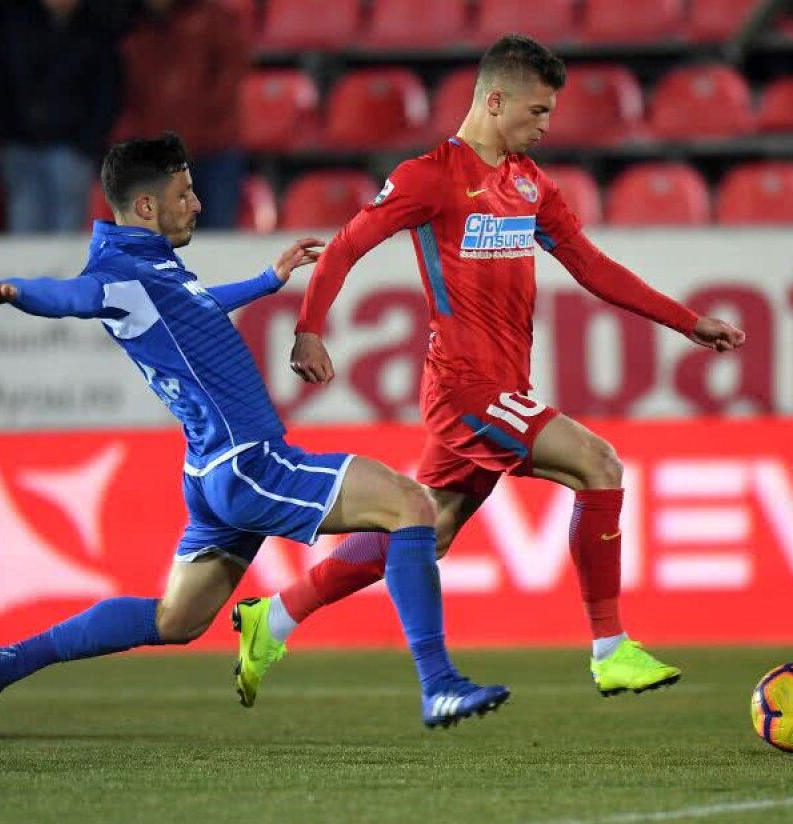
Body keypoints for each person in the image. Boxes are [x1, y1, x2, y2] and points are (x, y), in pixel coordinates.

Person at [231, 35, 746, 708]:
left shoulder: (528, 183)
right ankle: (610, 650)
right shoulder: (429, 176)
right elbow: (346, 247)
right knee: (599, 464)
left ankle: (271, 620)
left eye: (549, 113)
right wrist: (308, 329)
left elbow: (592, 267)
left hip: (505, 387)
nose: (545, 125)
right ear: (494, 100)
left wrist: (686, 320)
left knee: (427, 530)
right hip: (464, 389)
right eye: (536, 111)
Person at [0, 132, 509, 729]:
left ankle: (5, 663)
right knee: (411, 505)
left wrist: (267, 280)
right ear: (144, 207)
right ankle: (438, 683)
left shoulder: (149, 268)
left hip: (213, 471)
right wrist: (16, 291)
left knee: (176, 621)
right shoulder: (118, 276)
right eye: (183, 193)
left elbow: (194, 304)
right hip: (251, 462)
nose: (197, 203)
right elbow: (76, 295)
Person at [0, 0, 123, 233]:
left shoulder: (96, 31)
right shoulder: (16, 25)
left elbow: (108, 93)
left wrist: (87, 143)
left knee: (66, 238)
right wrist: (4, 136)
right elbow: (0, 84)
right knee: (23, 237)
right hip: (21, 149)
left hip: (71, 153)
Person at [117, 0, 249, 229]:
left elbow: (230, 74)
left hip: (212, 151)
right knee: (164, 244)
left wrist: (198, 130)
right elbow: (128, 93)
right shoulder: (130, 26)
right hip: (158, 158)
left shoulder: (211, 17)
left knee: (218, 242)